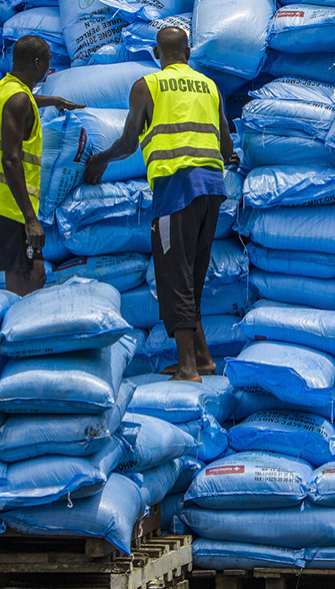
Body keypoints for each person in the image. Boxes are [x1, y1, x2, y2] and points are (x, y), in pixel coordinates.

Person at [83, 27, 232, 383]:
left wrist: (101, 160)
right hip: (213, 187)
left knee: (173, 276)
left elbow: (128, 141)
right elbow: (226, 146)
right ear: (189, 52)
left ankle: (187, 368)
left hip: (176, 189)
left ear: (155, 52)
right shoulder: (209, 87)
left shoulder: (147, 85)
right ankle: (203, 358)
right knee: (192, 275)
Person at [0, 35, 82, 296]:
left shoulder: (9, 86)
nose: (51, 66)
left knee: (35, 273)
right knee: (23, 275)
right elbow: (11, 159)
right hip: (7, 203)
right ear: (37, 62)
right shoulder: (18, 99)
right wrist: (30, 219)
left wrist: (54, 101)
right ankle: (17, 330)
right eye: (48, 60)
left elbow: (25, 101)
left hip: (2, 198)